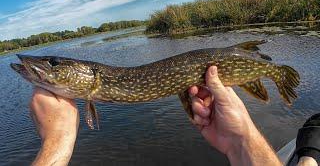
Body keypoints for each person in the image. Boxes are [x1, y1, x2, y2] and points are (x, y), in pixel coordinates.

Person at [29, 66, 318, 166]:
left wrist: (58, 139)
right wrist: (240, 137)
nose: (48, 68)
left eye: (55, 65)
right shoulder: (95, 85)